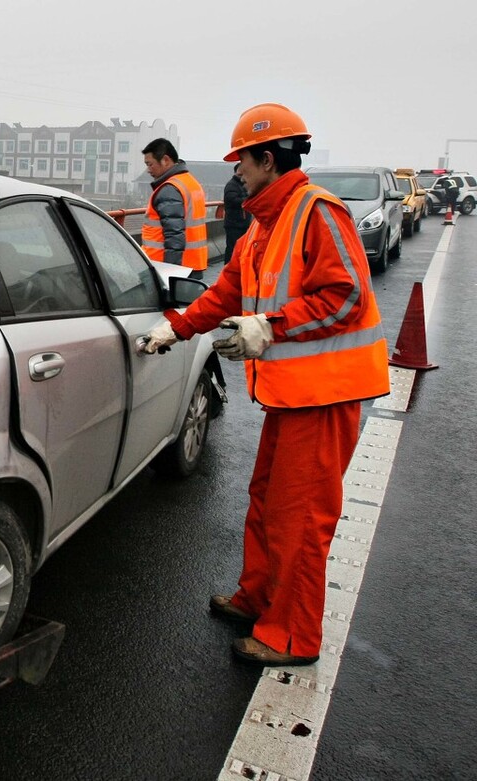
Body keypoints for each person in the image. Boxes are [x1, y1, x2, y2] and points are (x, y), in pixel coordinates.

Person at [139, 103, 390, 666]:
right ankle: (258, 597)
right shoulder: (264, 223)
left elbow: (345, 297)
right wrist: (172, 329)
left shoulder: (317, 212)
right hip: (290, 393)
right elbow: (226, 294)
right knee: (267, 500)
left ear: (268, 159)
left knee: (301, 517)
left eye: (242, 162)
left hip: (324, 394)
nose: (237, 173)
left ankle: (293, 635)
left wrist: (267, 326)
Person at [141, 138, 209, 280]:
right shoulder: (189, 181)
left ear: (165, 160)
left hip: (167, 266)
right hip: (192, 263)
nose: (148, 170)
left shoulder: (170, 189)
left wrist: (170, 273)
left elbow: (174, 235)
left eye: (150, 164)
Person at [222, 163, 252, 263]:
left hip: (243, 223)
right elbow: (232, 200)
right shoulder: (231, 185)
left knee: (240, 249)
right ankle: (228, 268)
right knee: (232, 249)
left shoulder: (243, 184)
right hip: (234, 223)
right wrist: (249, 200)